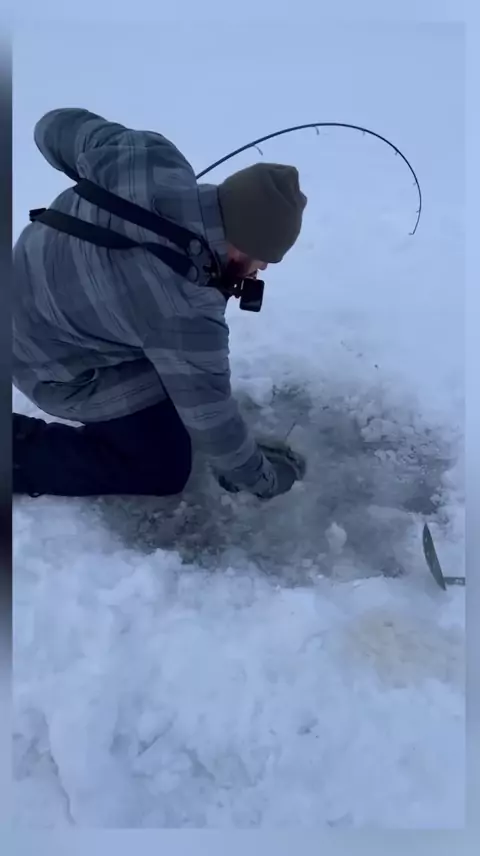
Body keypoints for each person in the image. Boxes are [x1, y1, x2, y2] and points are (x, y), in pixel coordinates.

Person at [13, 108, 307, 501]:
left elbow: (51, 126)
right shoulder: (188, 308)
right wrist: (261, 479)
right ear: (242, 246)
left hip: (24, 283)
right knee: (161, 467)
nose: (263, 268)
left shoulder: (149, 157)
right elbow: (211, 416)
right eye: (263, 258)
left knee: (172, 365)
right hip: (46, 361)